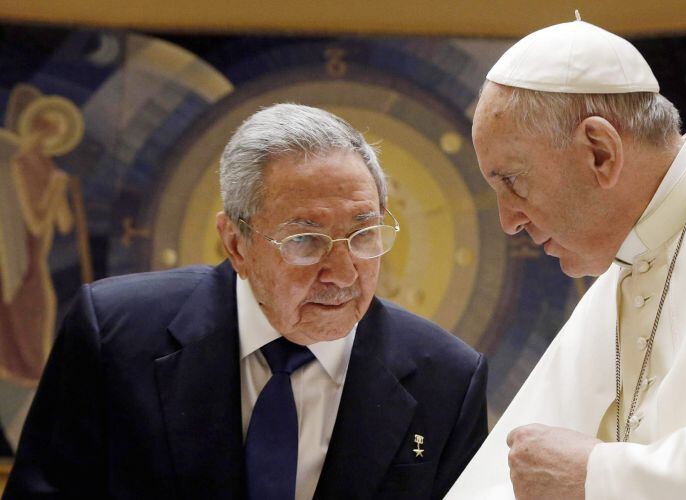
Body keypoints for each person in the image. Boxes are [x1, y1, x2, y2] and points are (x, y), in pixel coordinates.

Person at [4, 103, 488, 499]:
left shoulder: (447, 379)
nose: (343, 273)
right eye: (306, 240)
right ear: (235, 243)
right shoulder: (114, 332)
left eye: (363, 234)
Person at [446, 16, 686, 500]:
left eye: (512, 181)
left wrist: (604, 477)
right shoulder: (627, 260)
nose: (509, 221)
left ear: (600, 151)